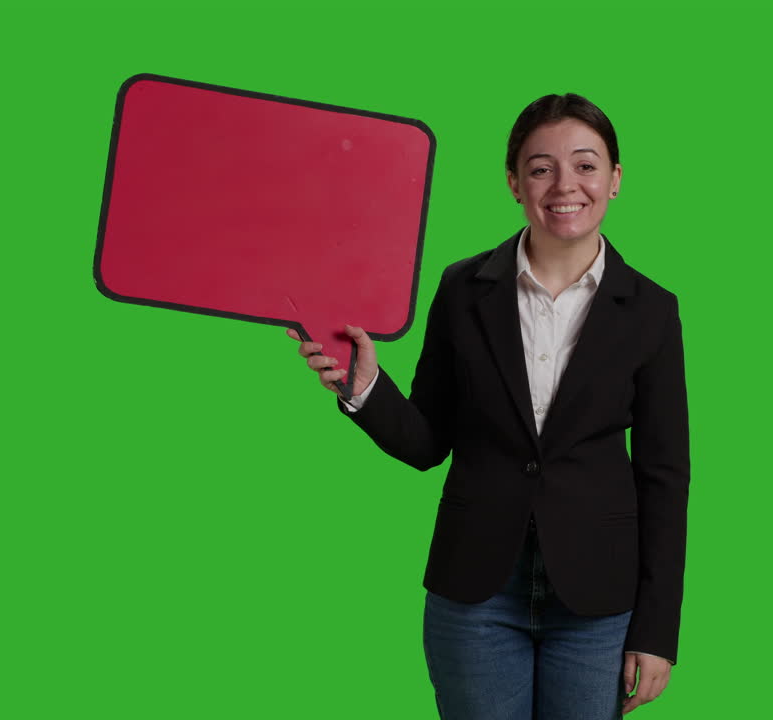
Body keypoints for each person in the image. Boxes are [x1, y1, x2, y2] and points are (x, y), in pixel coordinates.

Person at [287, 93, 689, 720]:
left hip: (598, 600)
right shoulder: (461, 288)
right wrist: (364, 390)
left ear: (615, 180)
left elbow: (665, 477)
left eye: (586, 166)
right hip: (476, 594)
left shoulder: (654, 310)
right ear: (513, 182)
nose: (565, 186)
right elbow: (427, 443)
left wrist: (657, 629)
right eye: (540, 168)